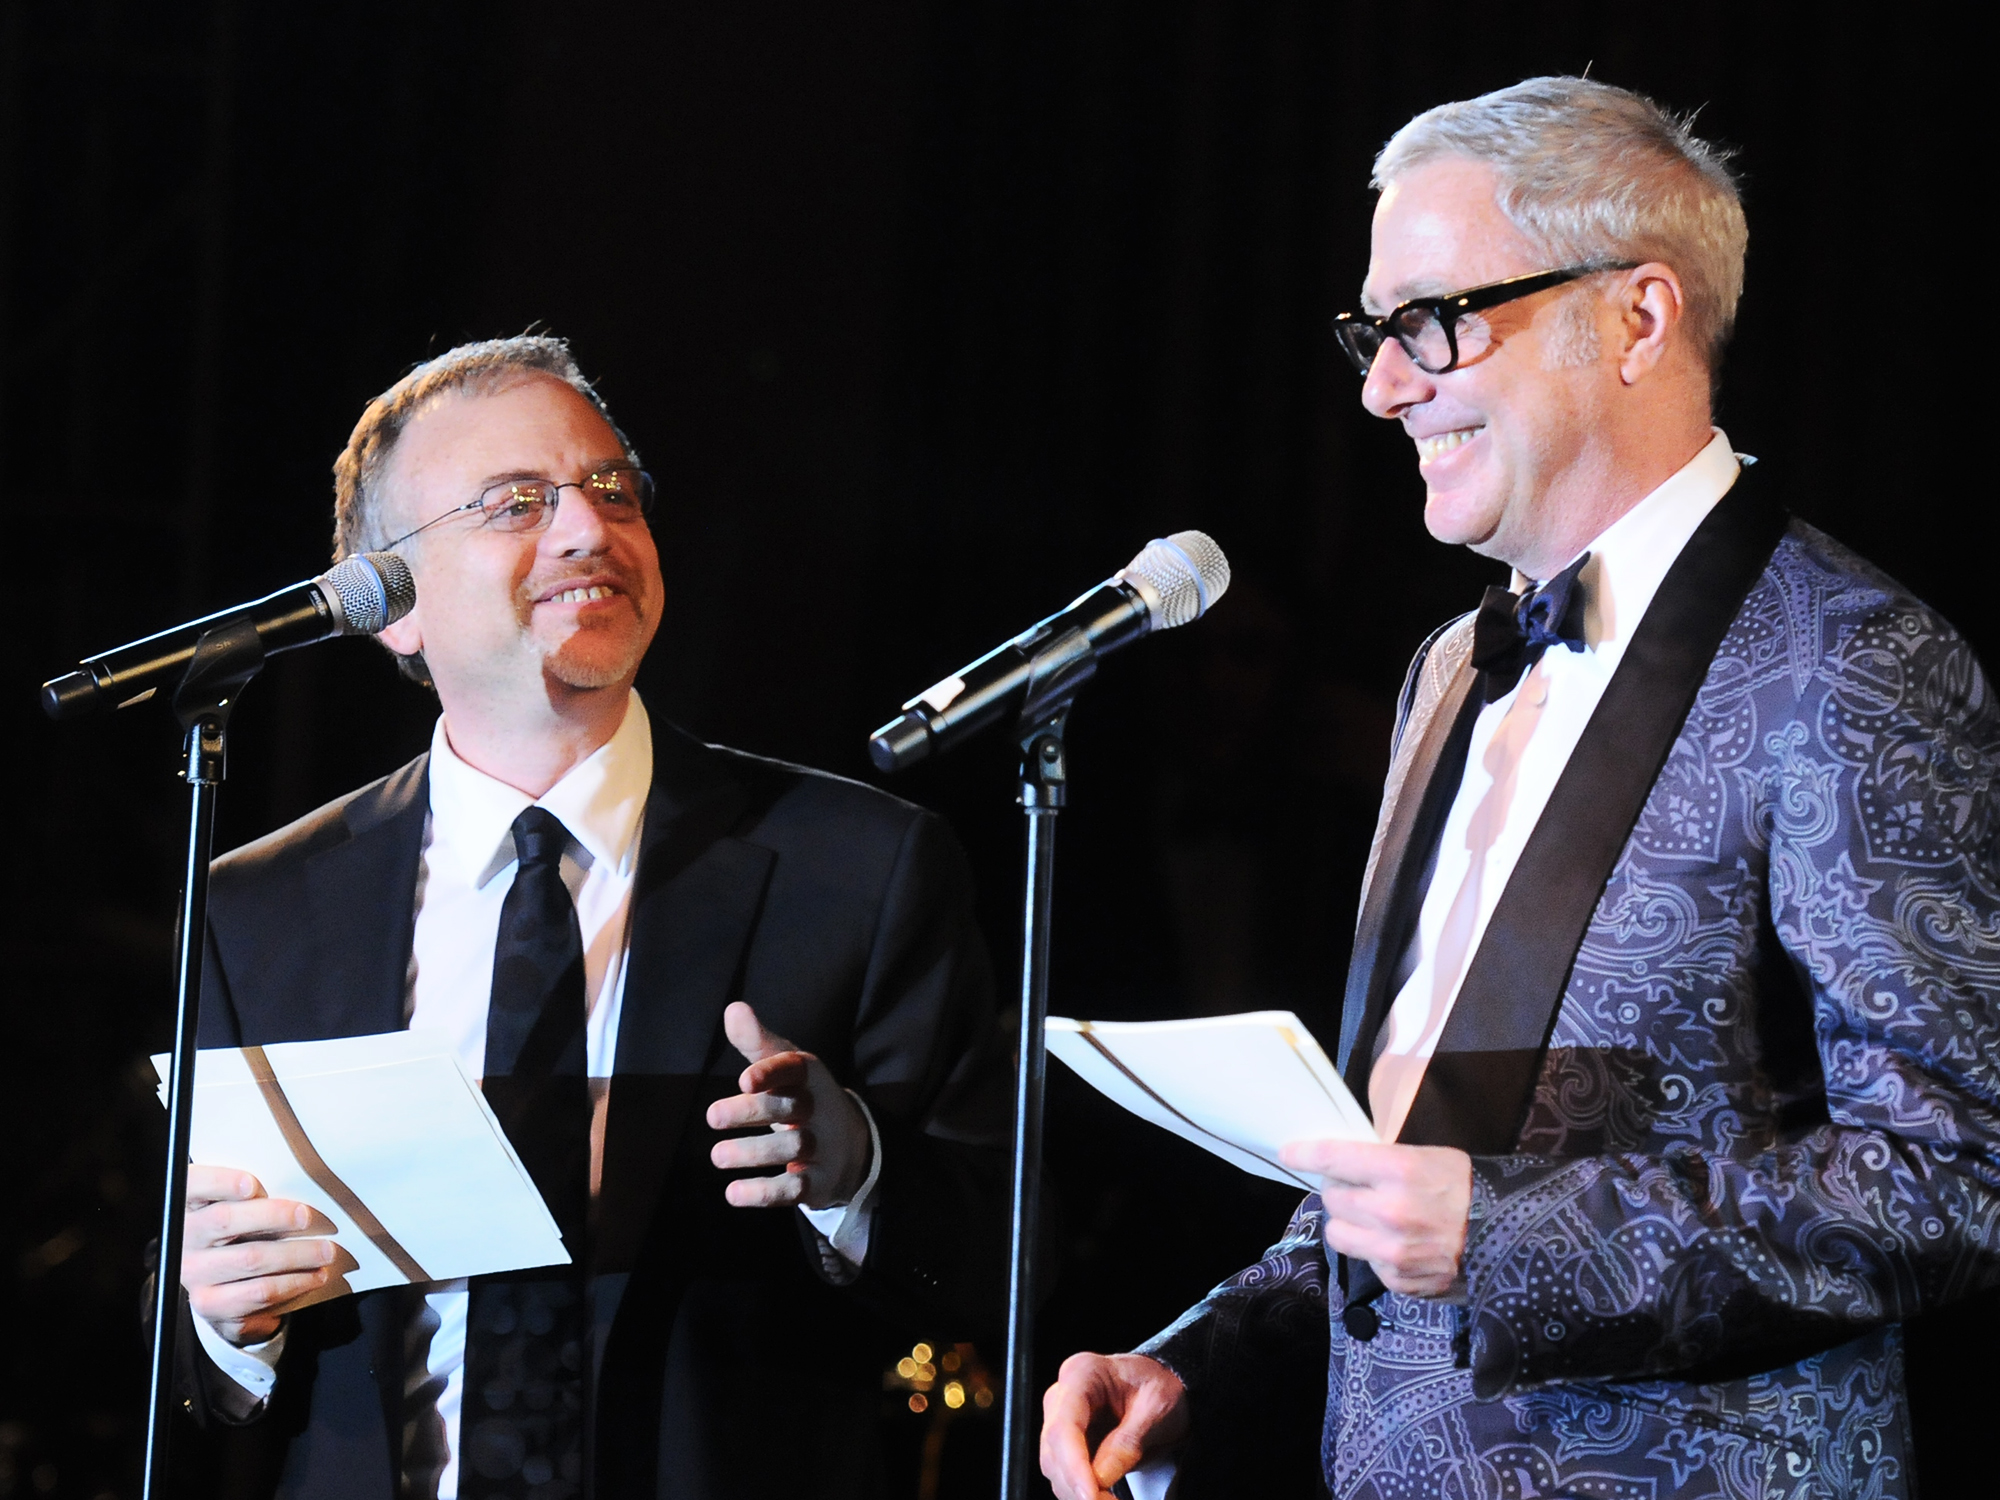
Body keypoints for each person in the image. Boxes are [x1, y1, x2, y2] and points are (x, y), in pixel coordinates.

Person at [1041, 76, 2000, 1500]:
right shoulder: (1446, 671)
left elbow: (1954, 1174)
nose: (1381, 384)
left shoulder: (1854, 662)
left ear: (1639, 316)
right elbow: (1407, 1162)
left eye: (1434, 320)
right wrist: (1214, 1359)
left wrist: (1507, 1241)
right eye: (1374, 332)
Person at [169, 335, 1011, 1499]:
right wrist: (222, 1322)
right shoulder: (257, 907)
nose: (586, 530)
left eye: (612, 489)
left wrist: (854, 1173)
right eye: (515, 503)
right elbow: (185, 1359)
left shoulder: (860, 868)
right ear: (387, 605)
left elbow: (1004, 1264)